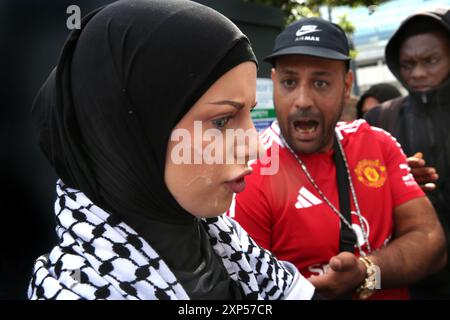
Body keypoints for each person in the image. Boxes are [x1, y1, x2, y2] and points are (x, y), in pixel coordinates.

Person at [27, 0, 316, 300]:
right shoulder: (76, 290)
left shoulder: (227, 242)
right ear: (131, 135)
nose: (255, 146)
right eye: (222, 120)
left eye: (249, 114)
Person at [230, 16, 446, 299]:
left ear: (346, 87)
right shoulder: (250, 171)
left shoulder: (377, 144)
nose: (303, 99)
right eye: (289, 81)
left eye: (320, 83)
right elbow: (244, 291)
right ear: (273, 84)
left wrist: (368, 273)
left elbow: (431, 245)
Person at [364, 7, 450, 299]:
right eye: (408, 64)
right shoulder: (379, 120)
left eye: (431, 61)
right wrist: (395, 180)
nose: (418, 73)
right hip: (410, 275)